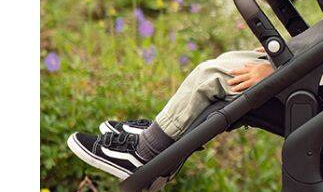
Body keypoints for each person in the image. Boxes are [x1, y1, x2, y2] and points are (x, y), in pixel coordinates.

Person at [67, 47, 278, 180]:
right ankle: (159, 135)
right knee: (230, 58)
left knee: (213, 74)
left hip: (296, 85)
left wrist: (275, 71)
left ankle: (143, 152)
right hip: (296, 67)